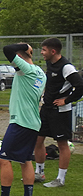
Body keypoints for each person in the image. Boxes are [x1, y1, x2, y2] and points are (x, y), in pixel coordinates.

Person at [0, 43, 46, 196]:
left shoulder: (26, 69)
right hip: (33, 122)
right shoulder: (40, 72)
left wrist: (24, 46)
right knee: (25, 160)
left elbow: (7, 49)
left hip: (21, 122)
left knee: (3, 158)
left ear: (20, 57)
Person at [33, 38, 83, 188]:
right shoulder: (50, 64)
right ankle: (39, 173)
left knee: (62, 144)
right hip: (46, 109)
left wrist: (66, 100)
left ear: (53, 51)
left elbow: (80, 86)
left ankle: (60, 179)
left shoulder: (66, 67)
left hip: (61, 112)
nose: (41, 53)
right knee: (38, 139)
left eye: (44, 50)